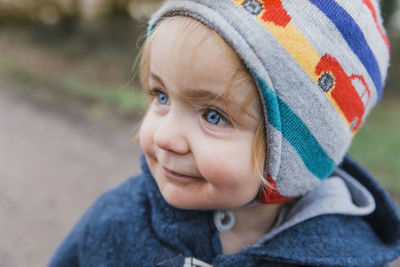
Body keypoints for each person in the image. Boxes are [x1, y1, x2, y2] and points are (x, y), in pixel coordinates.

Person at [49, 0, 400, 266]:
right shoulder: (118, 225)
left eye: (213, 116)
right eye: (161, 96)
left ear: (298, 154)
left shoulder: (348, 254)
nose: (165, 137)